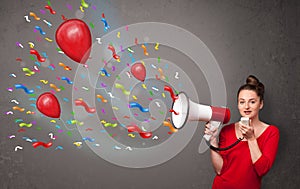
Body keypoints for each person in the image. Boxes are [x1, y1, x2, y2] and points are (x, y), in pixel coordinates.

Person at [204, 75, 279, 189]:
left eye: (252, 102)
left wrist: (251, 138)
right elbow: (220, 170)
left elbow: (262, 169)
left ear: (261, 104)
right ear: (238, 105)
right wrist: (213, 141)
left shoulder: (271, 132)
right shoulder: (227, 130)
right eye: (242, 102)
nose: (246, 106)